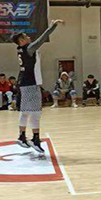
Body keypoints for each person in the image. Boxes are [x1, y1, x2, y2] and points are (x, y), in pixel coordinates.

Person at [12, 19, 63, 154]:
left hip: (24, 82)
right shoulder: (29, 49)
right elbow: (42, 39)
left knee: (25, 111)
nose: (29, 37)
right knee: (35, 112)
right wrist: (53, 26)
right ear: (21, 40)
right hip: (30, 83)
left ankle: (22, 136)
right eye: (26, 36)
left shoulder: (20, 50)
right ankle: (35, 139)